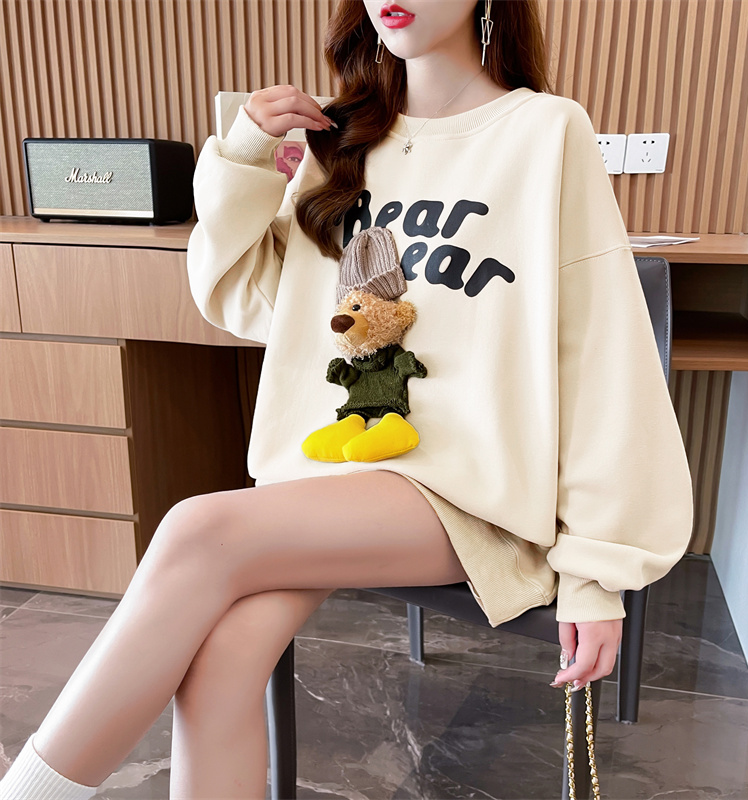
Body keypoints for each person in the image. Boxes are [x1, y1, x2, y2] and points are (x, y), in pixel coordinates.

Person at [0, 1, 694, 797]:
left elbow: (602, 352)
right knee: (223, 659)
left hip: (468, 493)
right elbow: (249, 301)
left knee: (196, 528)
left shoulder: (545, 133)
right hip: (332, 474)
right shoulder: (343, 138)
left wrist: (599, 571)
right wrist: (243, 158)